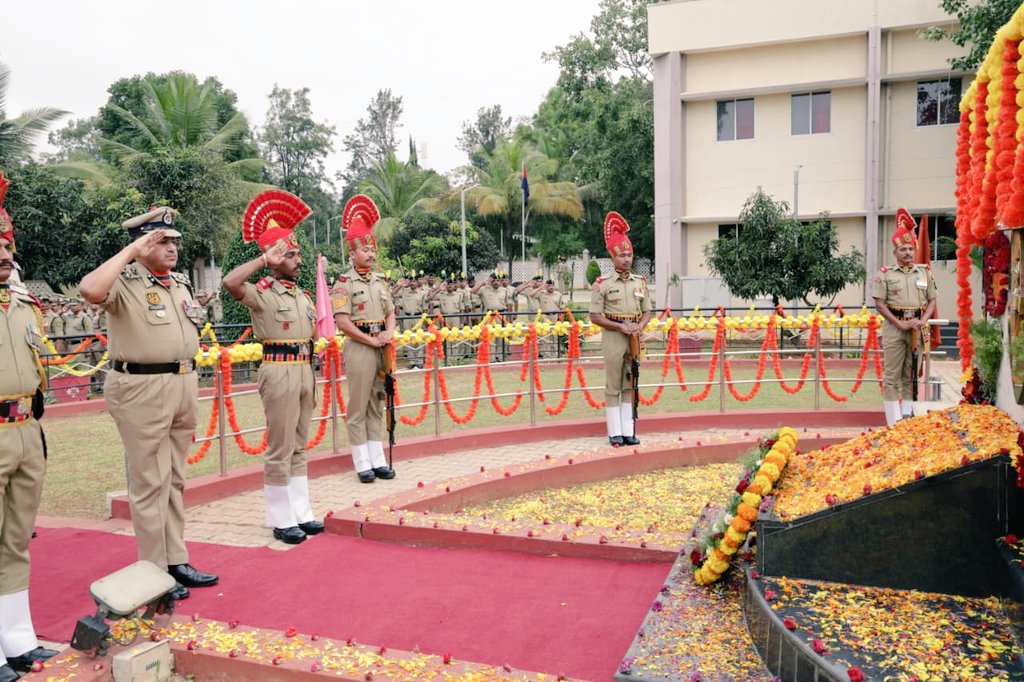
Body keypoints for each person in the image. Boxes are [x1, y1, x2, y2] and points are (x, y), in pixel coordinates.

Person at [79, 206, 217, 601]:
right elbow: (90, 290)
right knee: (149, 482)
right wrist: (132, 252)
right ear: (142, 245)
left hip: (182, 382)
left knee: (174, 478)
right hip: (141, 387)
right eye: (162, 241)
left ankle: (176, 560)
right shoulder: (124, 281)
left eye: (174, 241)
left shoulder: (179, 283)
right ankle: (153, 571)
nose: (172, 248)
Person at [222, 190, 324, 545]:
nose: (298, 260)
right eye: (290, 254)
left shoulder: (303, 296)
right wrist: (264, 260)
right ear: (274, 257)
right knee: (280, 447)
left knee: (299, 445)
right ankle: (281, 519)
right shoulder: (262, 292)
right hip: (278, 369)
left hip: (304, 369)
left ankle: (301, 512)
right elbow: (231, 283)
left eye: (297, 254)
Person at [0, 172, 57, 681]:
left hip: (24, 429)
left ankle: (17, 638)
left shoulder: (24, 307)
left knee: (16, 538)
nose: (5, 253)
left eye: (6, 245)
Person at [332, 195, 398, 484]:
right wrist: (369, 341)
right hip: (360, 346)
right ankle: (361, 462)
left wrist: (389, 332)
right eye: (365, 250)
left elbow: (391, 312)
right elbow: (343, 322)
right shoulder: (344, 284)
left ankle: (377, 459)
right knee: (358, 405)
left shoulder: (380, 281)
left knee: (377, 401)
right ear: (352, 253)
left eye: (372, 249)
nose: (371, 254)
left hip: (381, 346)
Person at [588, 212, 652, 447]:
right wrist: (620, 327)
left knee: (630, 382)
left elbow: (647, 310)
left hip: (633, 337)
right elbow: (595, 316)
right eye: (622, 255)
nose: (627, 259)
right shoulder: (603, 284)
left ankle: (628, 431)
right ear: (612, 257)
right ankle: (614, 432)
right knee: (613, 384)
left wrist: (639, 327)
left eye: (629, 255)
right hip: (614, 336)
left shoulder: (639, 282)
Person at [872, 208, 937, 426]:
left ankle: (906, 420)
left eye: (910, 248)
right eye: (903, 249)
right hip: (894, 329)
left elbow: (932, 301)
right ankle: (893, 422)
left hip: (916, 329)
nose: (908, 252)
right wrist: (898, 322)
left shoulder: (924, 272)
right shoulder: (885, 274)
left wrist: (923, 320)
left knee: (911, 375)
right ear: (895, 252)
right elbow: (879, 304)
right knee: (892, 376)